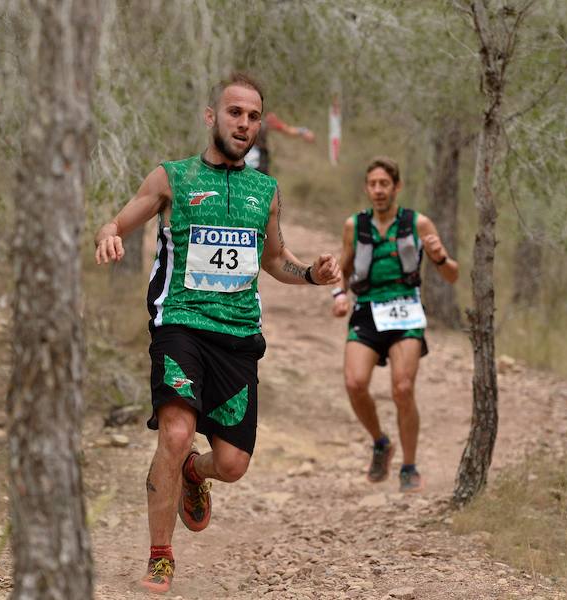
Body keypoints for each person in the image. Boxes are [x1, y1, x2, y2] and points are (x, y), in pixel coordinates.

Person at [94, 72, 340, 594]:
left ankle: (193, 476)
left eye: (253, 116)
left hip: (237, 338)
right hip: (179, 325)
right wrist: (108, 232)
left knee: (231, 465)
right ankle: (160, 557)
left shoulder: (264, 191)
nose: (244, 124)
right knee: (176, 433)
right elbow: (120, 221)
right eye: (234, 113)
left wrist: (312, 275)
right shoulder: (172, 178)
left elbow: (274, 259)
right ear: (211, 117)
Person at [331, 157, 458, 493]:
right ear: (366, 188)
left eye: (384, 184)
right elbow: (342, 269)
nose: (378, 190)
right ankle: (381, 442)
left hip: (405, 310)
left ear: (396, 187)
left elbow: (452, 275)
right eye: (372, 184)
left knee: (402, 389)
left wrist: (441, 255)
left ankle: (409, 466)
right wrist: (338, 296)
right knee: (354, 383)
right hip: (368, 309)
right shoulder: (353, 225)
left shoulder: (418, 224)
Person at [244, 112, 315, 175]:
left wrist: (304, 131)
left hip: (259, 159)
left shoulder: (266, 119)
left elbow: (287, 130)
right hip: (244, 158)